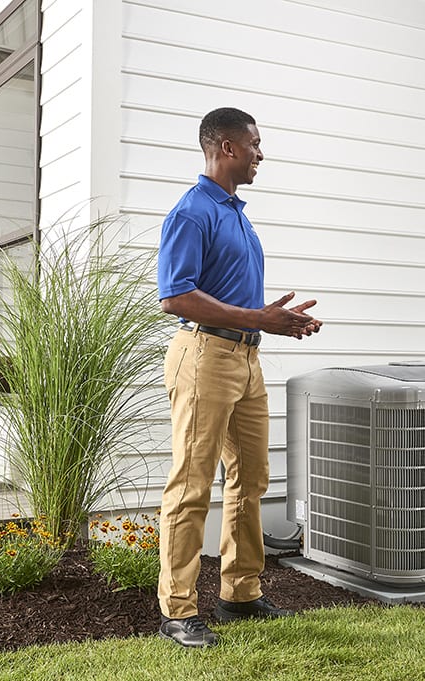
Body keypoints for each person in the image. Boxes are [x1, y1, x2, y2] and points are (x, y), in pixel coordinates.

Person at [155, 107, 323, 648]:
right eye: (254, 143)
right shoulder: (192, 212)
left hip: (245, 360)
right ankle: (178, 609)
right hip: (203, 357)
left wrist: (281, 322)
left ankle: (240, 593)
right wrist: (259, 319)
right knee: (192, 484)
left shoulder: (237, 213)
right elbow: (175, 296)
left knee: (251, 478)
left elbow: (235, 297)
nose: (260, 153)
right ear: (226, 146)